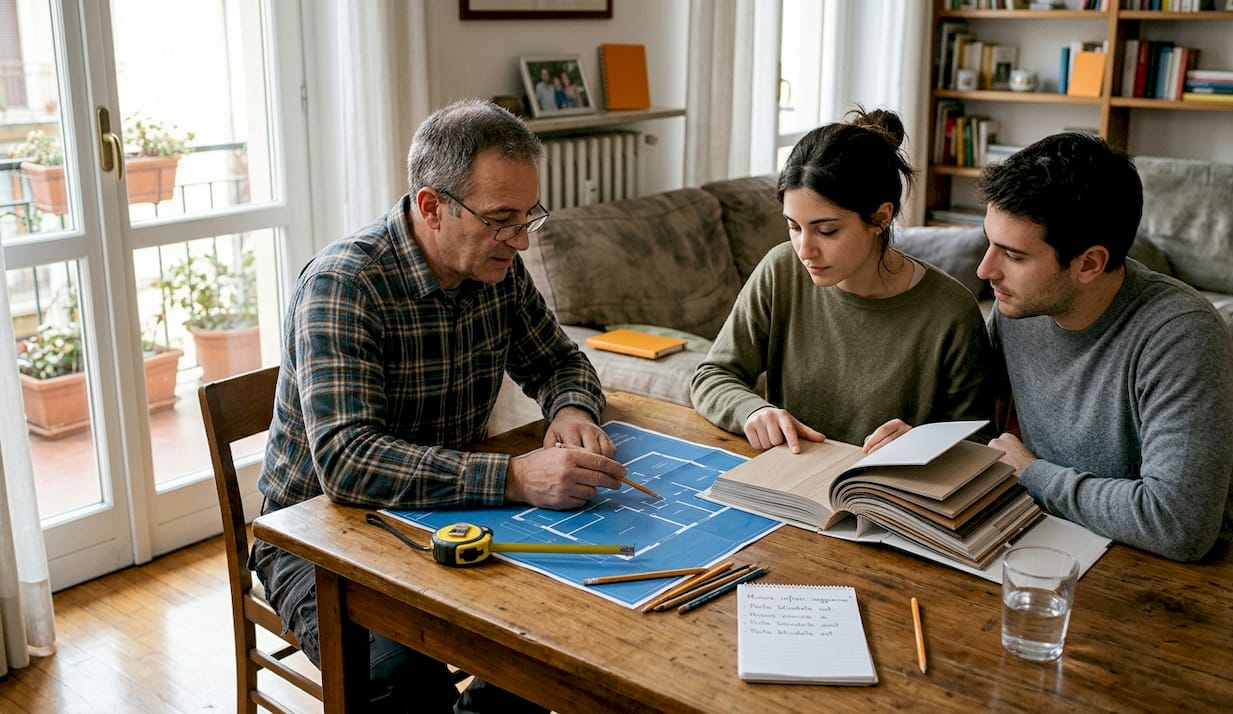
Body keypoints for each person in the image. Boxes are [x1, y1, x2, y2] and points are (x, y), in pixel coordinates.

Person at [250, 98, 628, 713]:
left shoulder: (496, 265)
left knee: (553, 650)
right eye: (503, 218)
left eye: (529, 215)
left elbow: (560, 361)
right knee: (408, 686)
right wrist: (513, 476)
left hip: (447, 512)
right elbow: (347, 464)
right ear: (432, 207)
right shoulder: (344, 284)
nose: (522, 239)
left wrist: (571, 412)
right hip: (315, 536)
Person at [972, 131, 1233, 562]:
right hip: (1063, 548)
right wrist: (920, 439)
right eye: (989, 242)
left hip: (1194, 586)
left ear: (1089, 263)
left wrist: (1034, 475)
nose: (985, 268)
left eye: (1013, 255)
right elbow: (980, 426)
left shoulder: (1180, 335)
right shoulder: (1018, 310)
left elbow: (1177, 524)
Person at [690, 108, 993, 454]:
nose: (805, 250)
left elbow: (980, 441)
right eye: (793, 226)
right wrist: (753, 410)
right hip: (789, 486)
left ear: (880, 217)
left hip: (887, 498)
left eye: (827, 230)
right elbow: (712, 376)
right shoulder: (781, 271)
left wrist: (918, 444)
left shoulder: (951, 311)